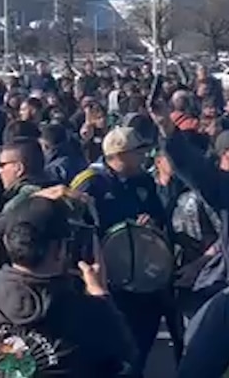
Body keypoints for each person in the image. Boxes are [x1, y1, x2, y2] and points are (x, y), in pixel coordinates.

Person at [0, 187, 137, 376]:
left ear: (7, 242)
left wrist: (27, 205)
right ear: (59, 250)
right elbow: (126, 357)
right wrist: (99, 292)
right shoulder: (87, 313)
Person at [71, 126, 170, 374]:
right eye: (137, 152)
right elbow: (74, 228)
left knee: (140, 343)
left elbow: (160, 217)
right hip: (107, 280)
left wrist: (152, 223)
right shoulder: (90, 183)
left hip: (142, 278)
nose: (144, 157)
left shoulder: (144, 180)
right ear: (118, 155)